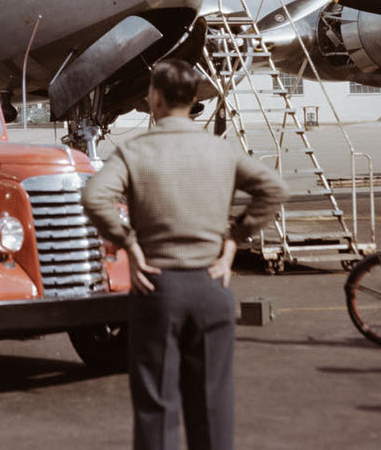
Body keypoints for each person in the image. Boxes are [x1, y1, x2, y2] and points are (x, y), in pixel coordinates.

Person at [81, 60, 290, 450]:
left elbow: (95, 196)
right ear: (194, 100)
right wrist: (233, 239)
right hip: (212, 286)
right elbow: (273, 189)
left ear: (154, 99)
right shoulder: (220, 150)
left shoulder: (134, 152)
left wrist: (127, 241)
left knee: (157, 407)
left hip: (158, 288)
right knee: (212, 408)